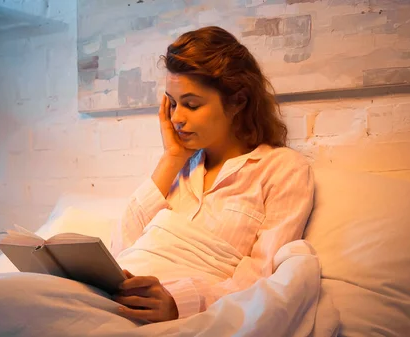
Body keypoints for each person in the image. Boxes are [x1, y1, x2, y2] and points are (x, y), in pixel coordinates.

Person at [109, 26, 315, 324]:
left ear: (238, 102)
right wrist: (172, 158)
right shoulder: (177, 170)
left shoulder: (282, 169)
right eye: (173, 103)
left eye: (192, 104)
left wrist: (179, 302)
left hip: (179, 319)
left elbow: (261, 276)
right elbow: (121, 250)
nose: (177, 117)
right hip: (116, 302)